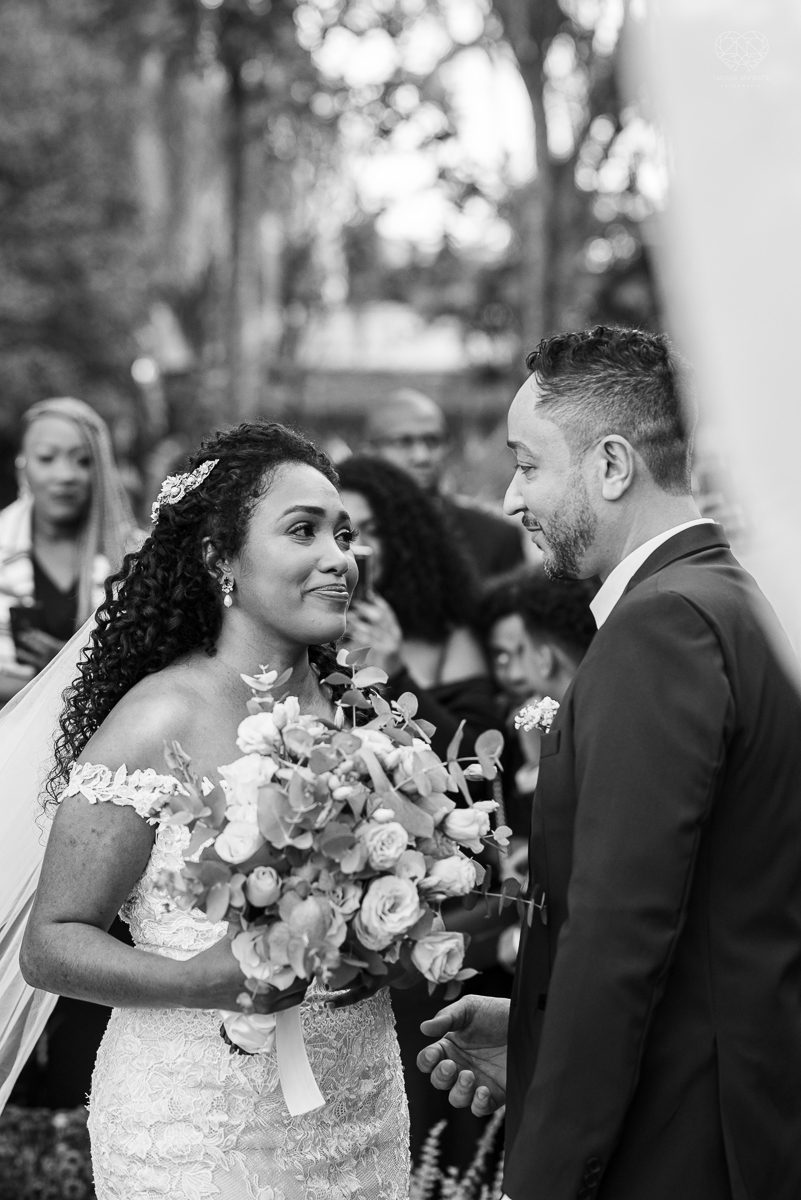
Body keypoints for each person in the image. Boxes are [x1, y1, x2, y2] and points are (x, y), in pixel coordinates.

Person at [418, 326, 801, 1200]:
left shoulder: (659, 627)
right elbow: (706, 913)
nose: (512, 498)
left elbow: (620, 931)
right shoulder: (728, 598)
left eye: (527, 464)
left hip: (682, 1143)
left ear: (612, 466)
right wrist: (533, 1033)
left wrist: (543, 1176)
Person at [16, 423, 410, 1199]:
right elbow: (51, 946)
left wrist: (384, 937)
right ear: (219, 558)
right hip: (201, 1124)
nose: (340, 557)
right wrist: (200, 979)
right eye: (304, 531)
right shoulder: (156, 720)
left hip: (358, 1105)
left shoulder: (367, 718)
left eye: (344, 534)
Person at [338, 454, 497, 763]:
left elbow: (478, 763)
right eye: (344, 535)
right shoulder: (301, 629)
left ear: (405, 538)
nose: (359, 548)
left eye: (373, 530)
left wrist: (397, 673)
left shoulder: (446, 635)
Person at [0, 398, 138, 705]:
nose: (65, 475)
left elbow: (152, 671)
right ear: (22, 464)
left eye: (83, 461)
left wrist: (67, 669)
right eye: (47, 458)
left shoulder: (137, 556)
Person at [364, 388, 525, 578]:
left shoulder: (495, 537)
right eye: (404, 442)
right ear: (370, 451)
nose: (422, 456)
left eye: (432, 441)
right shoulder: (351, 533)